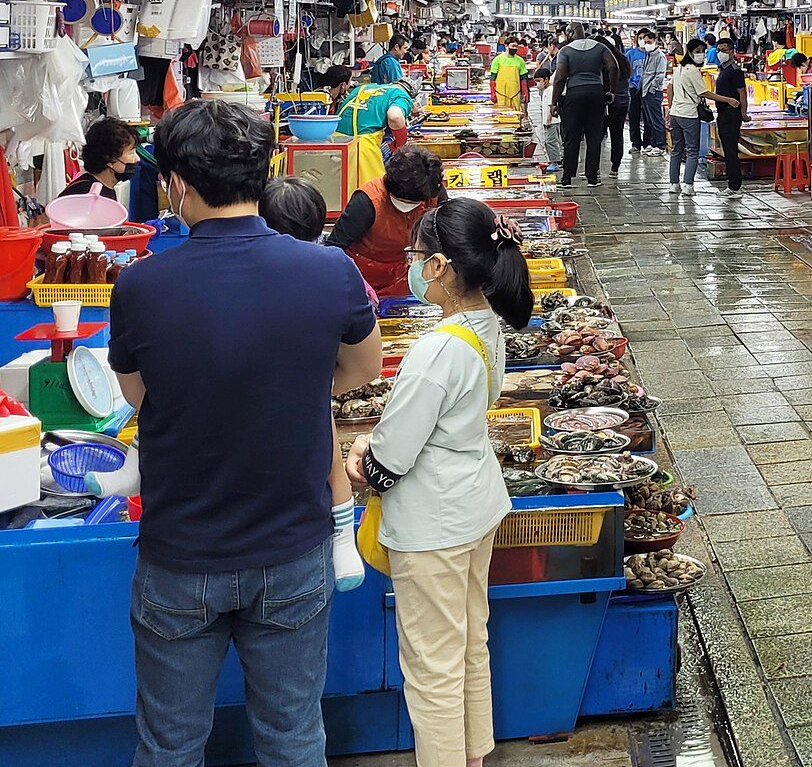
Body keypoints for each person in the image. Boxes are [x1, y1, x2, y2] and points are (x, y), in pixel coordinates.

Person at [108, 100, 382, 766]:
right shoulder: (329, 272)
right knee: (292, 735)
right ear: (267, 172)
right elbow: (360, 370)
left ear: (176, 183)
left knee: (170, 743)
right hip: (291, 550)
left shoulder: (141, 285)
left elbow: (139, 396)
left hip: (180, 558)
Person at [347, 198, 530, 767]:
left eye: (416, 254)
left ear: (438, 268)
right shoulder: (485, 327)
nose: (412, 262)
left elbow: (389, 459)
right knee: (470, 644)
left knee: (432, 667)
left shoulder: (437, 349)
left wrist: (359, 457)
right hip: (474, 506)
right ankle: (474, 755)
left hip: (434, 524)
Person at [262, 175, 374, 590]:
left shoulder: (257, 273)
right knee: (325, 450)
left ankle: (344, 536)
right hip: (311, 383)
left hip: (279, 386)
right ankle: (344, 536)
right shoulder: (333, 269)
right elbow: (367, 360)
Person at [329, 146, 446, 298]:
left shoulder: (431, 190)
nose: (407, 206)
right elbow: (333, 247)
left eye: (414, 202)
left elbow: (447, 234)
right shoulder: (367, 202)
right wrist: (355, 283)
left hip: (412, 275)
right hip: (366, 278)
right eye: (402, 201)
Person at [552, 26, 625, 188]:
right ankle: (593, 177)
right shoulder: (600, 48)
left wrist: (554, 102)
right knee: (594, 137)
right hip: (596, 94)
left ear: (570, 34)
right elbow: (613, 67)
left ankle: (567, 178)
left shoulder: (565, 51)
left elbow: (560, 77)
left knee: (571, 137)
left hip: (573, 96)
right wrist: (612, 91)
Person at [325, 64, 415, 189]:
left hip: (333, 144)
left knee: (336, 193)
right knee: (369, 196)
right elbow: (395, 117)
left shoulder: (364, 88)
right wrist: (401, 145)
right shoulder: (399, 95)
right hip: (360, 150)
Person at [666, 39, 713, 196]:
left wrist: (672, 106)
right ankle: (688, 185)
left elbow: (669, 87)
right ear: (691, 52)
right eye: (698, 51)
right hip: (689, 115)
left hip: (675, 114)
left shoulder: (679, 68)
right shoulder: (692, 70)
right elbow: (704, 93)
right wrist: (728, 100)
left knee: (676, 150)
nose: (701, 55)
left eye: (703, 51)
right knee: (692, 150)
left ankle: (674, 184)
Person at [62, 117, 141, 199]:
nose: (137, 158)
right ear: (110, 158)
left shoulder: (104, 188)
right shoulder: (86, 194)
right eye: (131, 153)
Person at [712, 37, 749, 197]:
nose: (721, 53)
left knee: (731, 149)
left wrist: (743, 113)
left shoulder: (734, 70)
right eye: (719, 50)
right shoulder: (723, 68)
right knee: (728, 149)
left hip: (731, 114)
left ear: (732, 51)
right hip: (723, 113)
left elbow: (742, 93)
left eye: (724, 50)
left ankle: (735, 186)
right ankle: (732, 184)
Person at [596, 30, 633, 173]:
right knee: (617, 135)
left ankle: (595, 169)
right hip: (623, 102)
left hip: (606, 103)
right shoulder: (623, 59)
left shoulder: (604, 62)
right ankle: (615, 167)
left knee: (597, 135)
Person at [628, 30, 668, 157]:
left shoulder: (659, 56)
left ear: (655, 41)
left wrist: (651, 89)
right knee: (647, 119)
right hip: (640, 91)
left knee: (654, 120)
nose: (645, 44)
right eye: (643, 41)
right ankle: (647, 144)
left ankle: (659, 145)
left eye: (648, 42)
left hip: (651, 92)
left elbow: (660, 76)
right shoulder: (646, 55)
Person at [525, 66, 556, 167]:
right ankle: (553, 160)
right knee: (548, 141)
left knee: (551, 142)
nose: (537, 83)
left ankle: (554, 162)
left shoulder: (551, 90)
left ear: (546, 79)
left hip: (552, 121)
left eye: (539, 80)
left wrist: (548, 119)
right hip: (547, 121)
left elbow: (552, 106)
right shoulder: (545, 91)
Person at [488, 42, 526, 112]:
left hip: (515, 94)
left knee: (516, 116)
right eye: (513, 46)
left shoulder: (520, 61)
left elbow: (523, 78)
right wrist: (492, 93)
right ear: (506, 46)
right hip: (500, 94)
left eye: (516, 46)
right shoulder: (497, 60)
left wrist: (525, 92)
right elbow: (493, 77)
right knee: (501, 115)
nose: (515, 48)